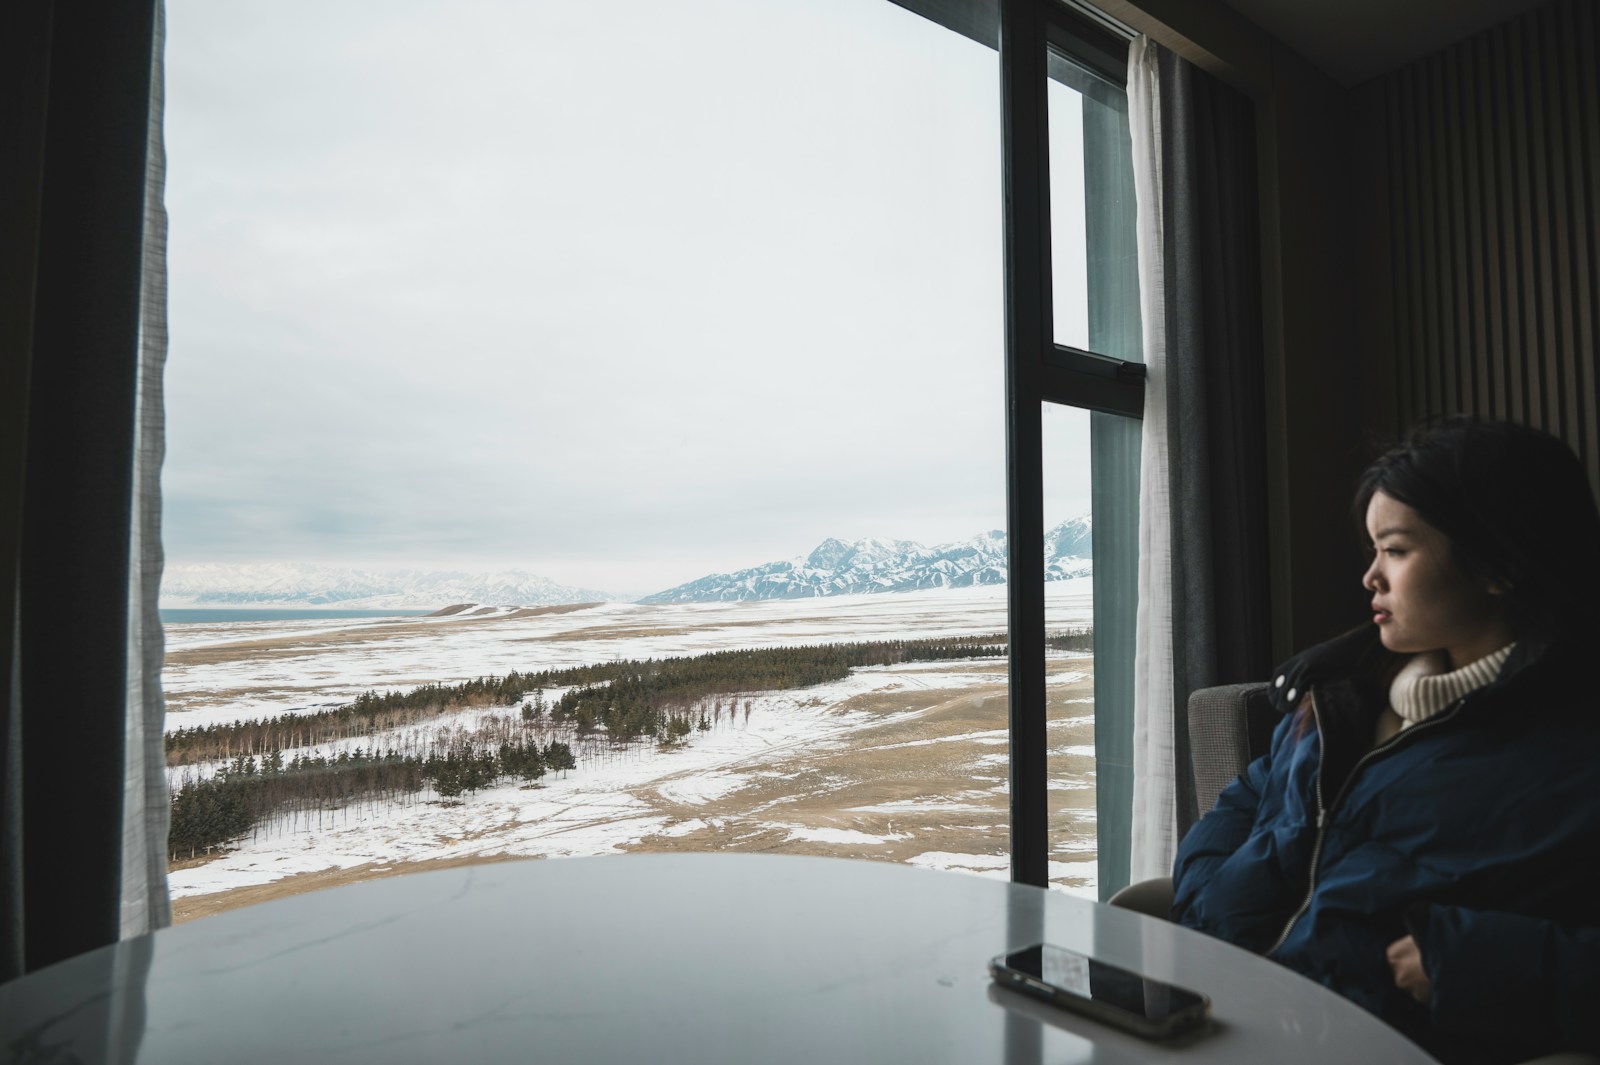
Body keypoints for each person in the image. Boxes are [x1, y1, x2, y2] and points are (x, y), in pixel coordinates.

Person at [1170, 417, 1600, 1065]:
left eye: (1396, 550)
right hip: (1224, 1012)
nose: (1371, 576)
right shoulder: (1341, 697)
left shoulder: (1570, 752)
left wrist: (1477, 961)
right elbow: (1251, 792)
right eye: (1374, 550)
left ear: (1499, 564)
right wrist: (1209, 890)